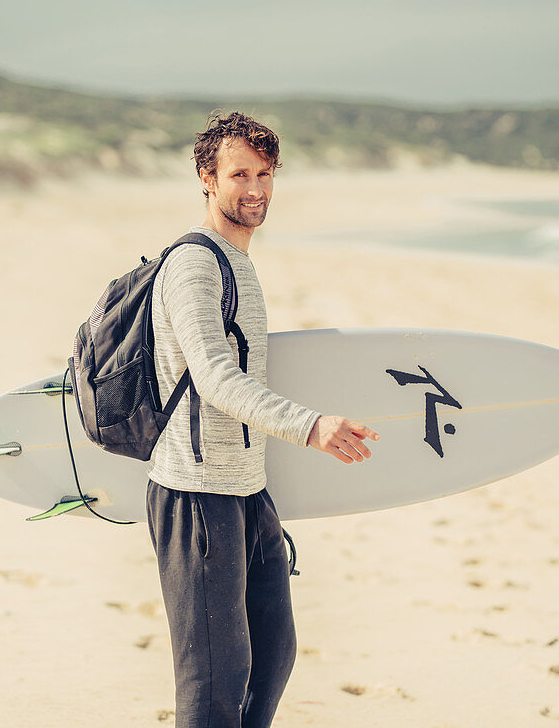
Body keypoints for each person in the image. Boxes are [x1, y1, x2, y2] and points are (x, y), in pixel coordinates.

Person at [146, 111, 380, 728]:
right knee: (213, 682)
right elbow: (217, 379)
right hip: (197, 493)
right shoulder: (194, 265)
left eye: (266, 173)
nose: (256, 188)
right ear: (207, 178)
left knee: (273, 655)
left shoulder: (239, 261)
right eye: (240, 173)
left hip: (247, 490)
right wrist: (312, 426)